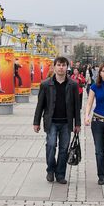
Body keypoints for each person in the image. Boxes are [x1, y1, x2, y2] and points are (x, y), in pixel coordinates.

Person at [33, 56, 81, 185]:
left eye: (63, 65)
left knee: (64, 149)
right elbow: (40, 105)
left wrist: (78, 123)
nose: (61, 67)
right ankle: (50, 170)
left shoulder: (73, 85)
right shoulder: (45, 84)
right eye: (59, 65)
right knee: (51, 146)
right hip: (51, 121)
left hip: (66, 122)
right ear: (54, 67)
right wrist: (36, 122)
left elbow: (77, 106)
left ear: (67, 67)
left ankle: (60, 174)